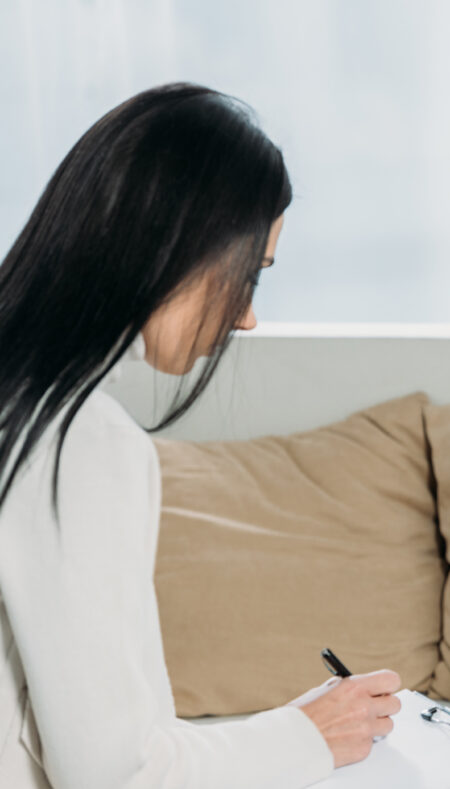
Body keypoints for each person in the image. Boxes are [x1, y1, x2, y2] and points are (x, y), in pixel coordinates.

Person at [0, 83, 402, 789]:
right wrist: (306, 737)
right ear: (175, 246)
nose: (246, 317)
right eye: (248, 274)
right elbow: (113, 775)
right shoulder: (80, 441)